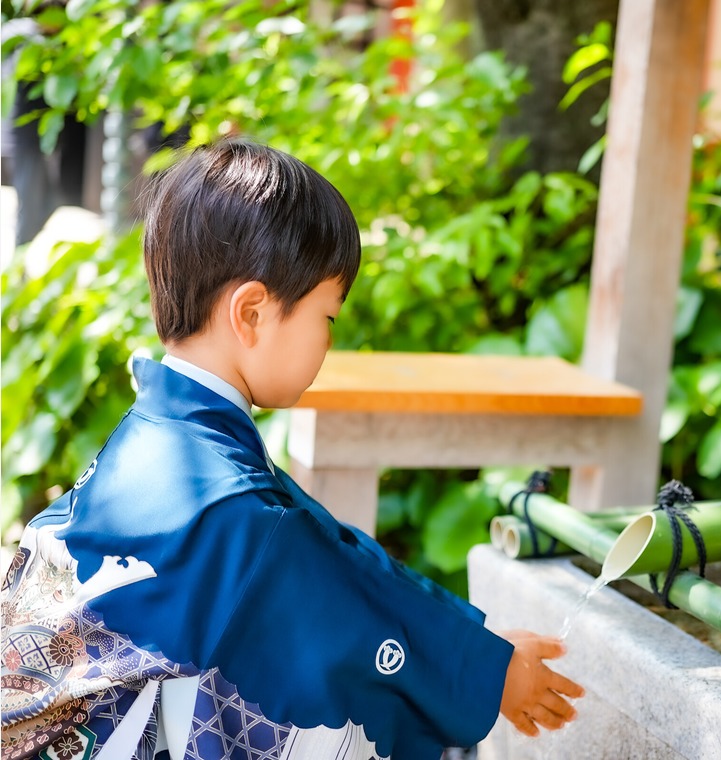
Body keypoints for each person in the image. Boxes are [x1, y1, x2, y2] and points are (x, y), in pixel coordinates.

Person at [1, 140, 584, 760]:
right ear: (251, 312)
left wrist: (481, 651)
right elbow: (338, 602)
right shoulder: (238, 509)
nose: (328, 339)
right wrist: (487, 673)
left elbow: (332, 554)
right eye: (327, 316)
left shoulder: (160, 431)